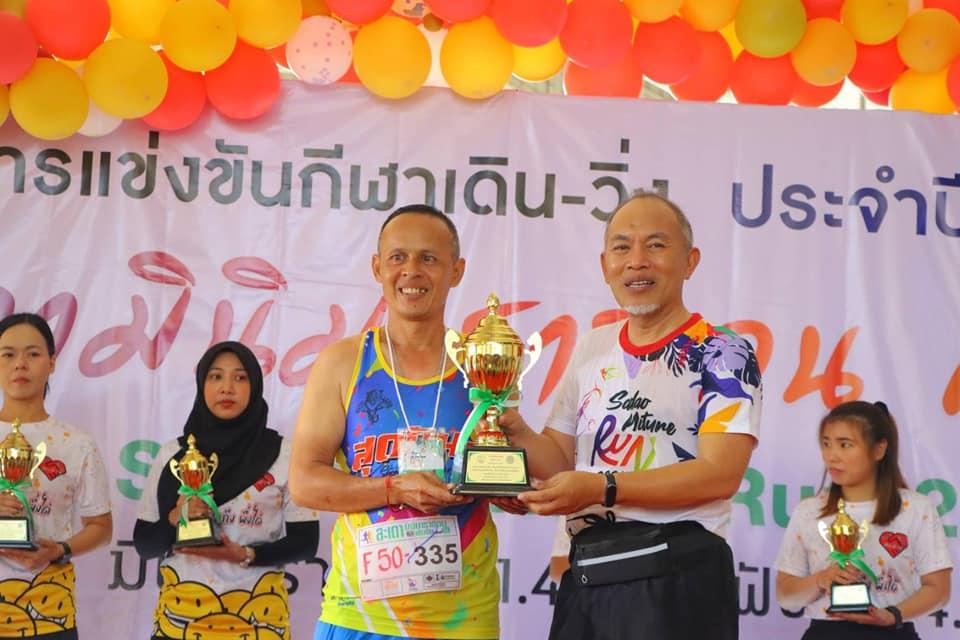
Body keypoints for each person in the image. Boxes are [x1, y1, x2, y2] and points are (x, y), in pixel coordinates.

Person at [498, 191, 762, 640]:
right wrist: (516, 430)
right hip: (588, 575)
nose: (637, 261)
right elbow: (559, 461)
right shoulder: (592, 347)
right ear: (605, 266)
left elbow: (720, 474)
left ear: (690, 261)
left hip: (676, 578)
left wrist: (602, 487)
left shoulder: (723, 352)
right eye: (622, 247)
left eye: (656, 245)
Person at [289, 204, 501, 640]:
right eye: (398, 257)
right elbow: (305, 483)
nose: (411, 271)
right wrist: (394, 488)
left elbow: (523, 469)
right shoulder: (343, 362)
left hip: (463, 619)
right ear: (377, 267)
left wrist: (512, 489)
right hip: (359, 617)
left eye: (429, 258)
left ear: (456, 270)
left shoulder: (482, 365)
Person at [133, 341, 319, 640]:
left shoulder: (284, 454)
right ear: (202, 385)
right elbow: (145, 545)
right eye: (216, 376)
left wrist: (245, 554)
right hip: (179, 625)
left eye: (240, 377)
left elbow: (306, 542)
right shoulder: (175, 455)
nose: (227, 388)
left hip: (258, 624)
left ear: (254, 386)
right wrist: (174, 518)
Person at [775, 401, 952, 639]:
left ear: (879, 450)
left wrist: (893, 615)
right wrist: (820, 580)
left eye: (845, 445)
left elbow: (939, 590)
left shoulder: (917, 509)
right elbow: (785, 596)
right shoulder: (809, 511)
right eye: (826, 444)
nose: (832, 456)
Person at [0, 312, 113, 640]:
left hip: (48, 615)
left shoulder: (76, 443)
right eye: (8, 354)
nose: (20, 364)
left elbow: (101, 527)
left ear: (51, 362)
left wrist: (59, 549)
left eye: (33, 354)